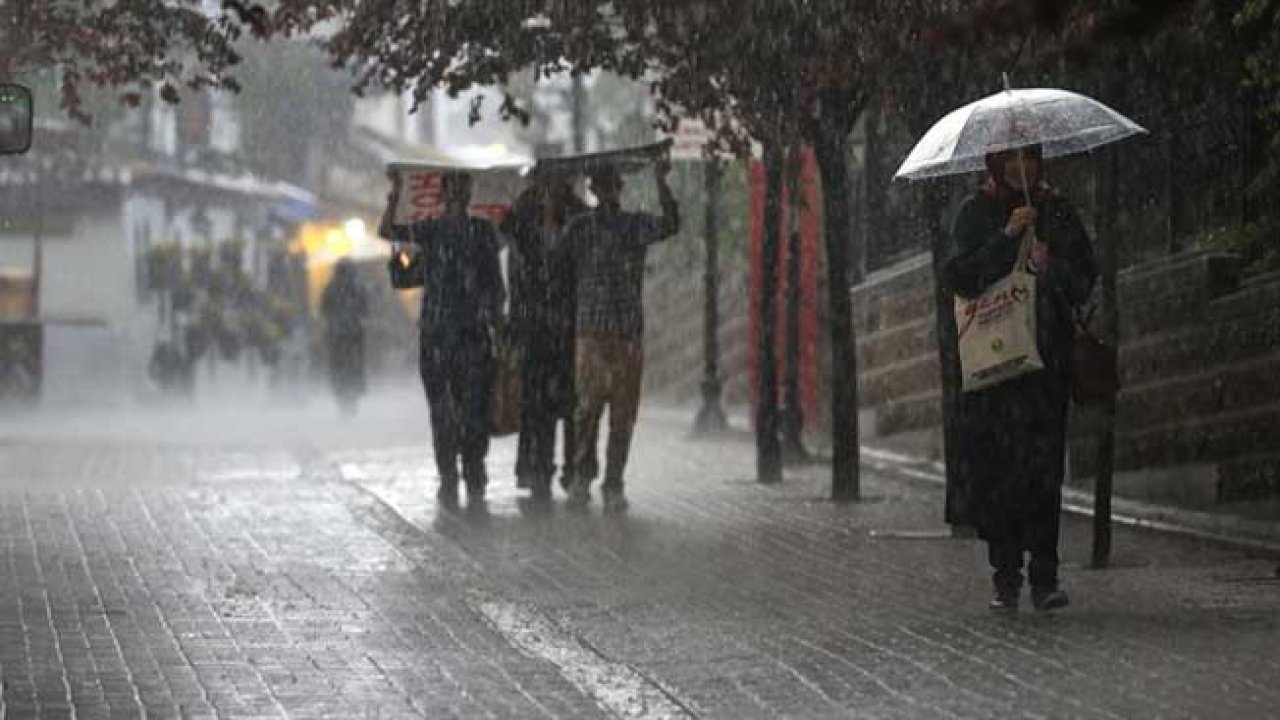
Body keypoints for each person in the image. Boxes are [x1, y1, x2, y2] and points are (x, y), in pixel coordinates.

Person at [945, 144, 1098, 612]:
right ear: (994, 163)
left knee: (1044, 470)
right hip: (995, 368)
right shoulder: (976, 211)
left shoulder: (1055, 208)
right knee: (1001, 472)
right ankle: (1005, 574)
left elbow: (1084, 277)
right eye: (1010, 159)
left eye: (1028, 157)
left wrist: (1051, 266)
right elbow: (961, 276)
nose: (1020, 167)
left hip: (1044, 365)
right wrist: (1007, 238)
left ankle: (1045, 576)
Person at [553, 158, 679, 513]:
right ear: (593, 190)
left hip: (625, 333)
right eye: (600, 186)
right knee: (586, 411)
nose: (606, 193)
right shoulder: (579, 229)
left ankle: (614, 482)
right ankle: (582, 475)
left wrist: (662, 182)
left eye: (611, 186)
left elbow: (671, 224)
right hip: (591, 332)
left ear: (618, 190)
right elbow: (555, 263)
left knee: (623, 414)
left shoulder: (633, 225)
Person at [379, 172, 506, 509]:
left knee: (474, 409)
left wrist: (498, 324)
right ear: (444, 194)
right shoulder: (431, 231)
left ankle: (473, 472)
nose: (457, 195)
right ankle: (450, 475)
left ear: (468, 193)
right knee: (442, 411)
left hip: (471, 334)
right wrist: (394, 196)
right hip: (438, 334)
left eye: (462, 189)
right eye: (452, 189)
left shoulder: (481, 232)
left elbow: (494, 284)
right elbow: (388, 233)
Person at [501, 168, 589, 501]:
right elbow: (514, 248)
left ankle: (572, 468)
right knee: (537, 402)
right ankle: (538, 468)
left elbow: (573, 257)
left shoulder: (577, 212)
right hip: (534, 322)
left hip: (567, 322)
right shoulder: (524, 209)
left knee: (569, 402)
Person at [319, 258, 369, 416]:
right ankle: (351, 402)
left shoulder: (330, 288)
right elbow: (365, 310)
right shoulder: (358, 288)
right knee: (353, 368)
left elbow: (324, 311)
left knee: (339, 370)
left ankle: (342, 401)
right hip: (353, 335)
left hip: (337, 336)